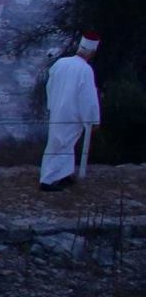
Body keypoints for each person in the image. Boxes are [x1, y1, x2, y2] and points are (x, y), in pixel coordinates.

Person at [40, 34, 101, 190]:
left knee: (63, 144)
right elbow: (88, 97)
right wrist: (93, 120)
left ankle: (64, 174)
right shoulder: (85, 70)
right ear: (92, 53)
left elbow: (49, 86)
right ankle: (47, 180)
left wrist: (51, 105)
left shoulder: (61, 63)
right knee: (61, 145)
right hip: (72, 114)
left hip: (57, 110)